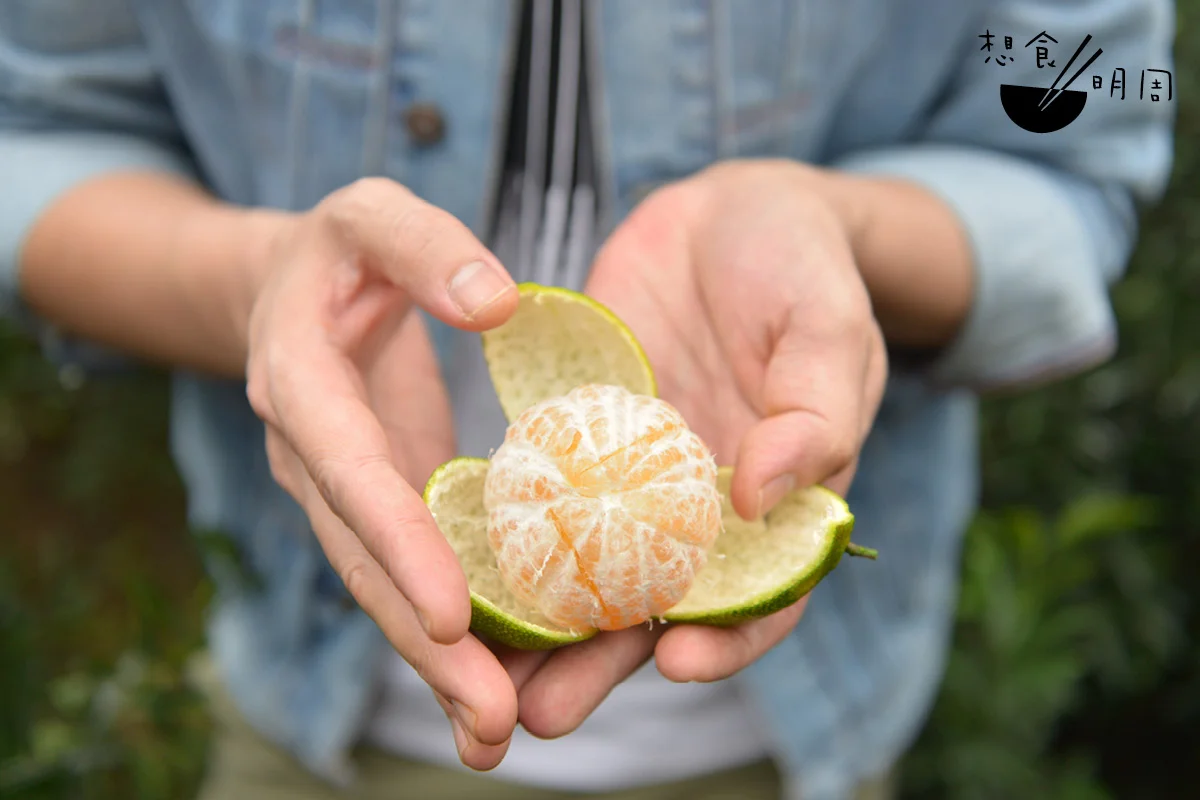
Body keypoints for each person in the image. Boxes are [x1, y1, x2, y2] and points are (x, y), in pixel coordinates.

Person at [0, 1, 1175, 799]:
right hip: (312, 709)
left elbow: (1075, 153)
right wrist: (252, 282)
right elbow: (39, 136)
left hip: (796, 733)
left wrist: (838, 222)